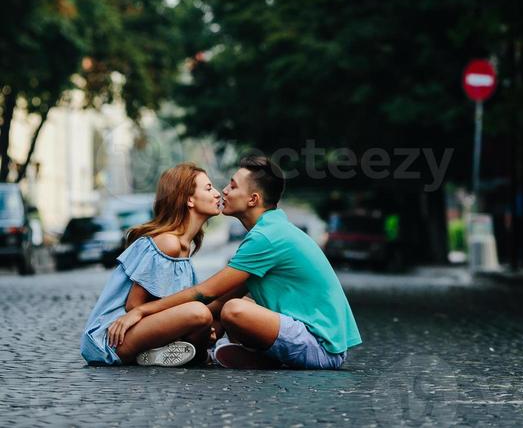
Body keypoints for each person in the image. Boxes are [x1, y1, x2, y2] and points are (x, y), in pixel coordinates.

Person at [107, 154, 362, 370]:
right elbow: (218, 301)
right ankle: (219, 353)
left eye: (232, 185)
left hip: (322, 346)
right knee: (227, 309)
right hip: (316, 340)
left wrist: (141, 311)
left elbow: (206, 293)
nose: (224, 191)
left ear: (252, 200)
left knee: (235, 310)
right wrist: (199, 329)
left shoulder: (267, 237)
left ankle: (266, 359)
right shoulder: (270, 231)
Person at [80, 162, 223, 367]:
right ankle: (182, 353)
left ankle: (168, 352)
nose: (217, 194)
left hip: (139, 329)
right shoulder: (168, 243)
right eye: (208, 188)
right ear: (189, 199)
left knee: (216, 312)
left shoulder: (184, 246)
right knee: (199, 313)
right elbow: (134, 305)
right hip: (113, 337)